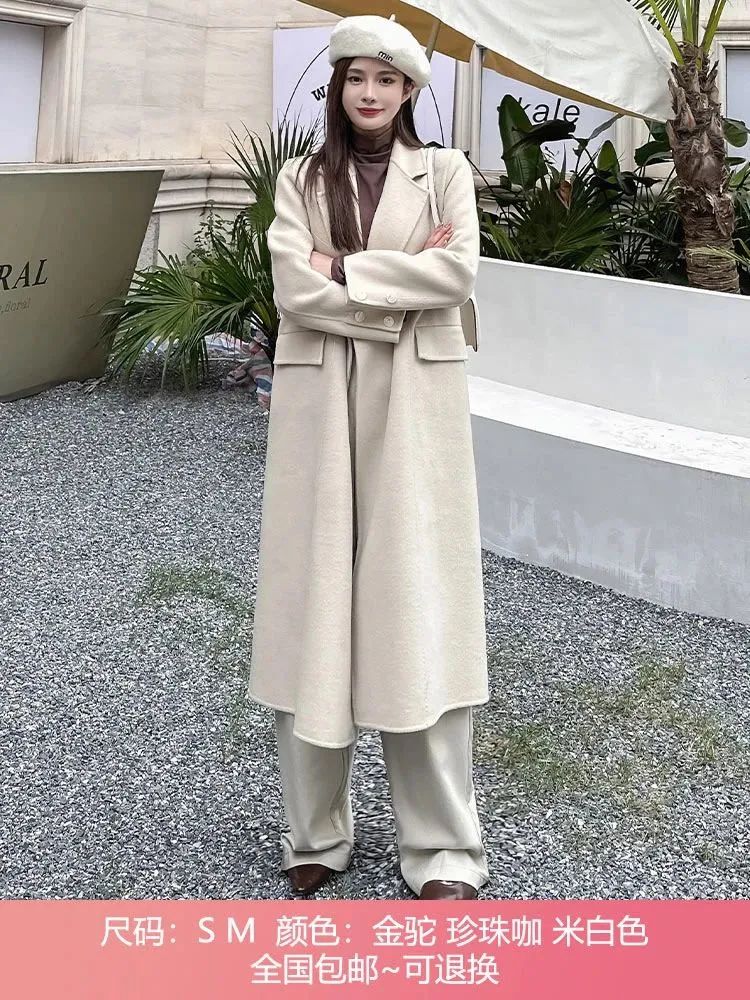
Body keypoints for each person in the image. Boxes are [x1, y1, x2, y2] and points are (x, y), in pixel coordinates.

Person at [247, 13, 491, 900]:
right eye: (357, 77)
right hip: (319, 407)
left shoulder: (448, 172)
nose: (371, 92)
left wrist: (342, 269)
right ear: (338, 87)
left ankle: (443, 850)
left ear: (411, 91)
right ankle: (314, 834)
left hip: (416, 406)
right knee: (311, 604)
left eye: (387, 80)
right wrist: (395, 279)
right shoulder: (300, 177)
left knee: (416, 605)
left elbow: (457, 274)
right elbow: (291, 289)